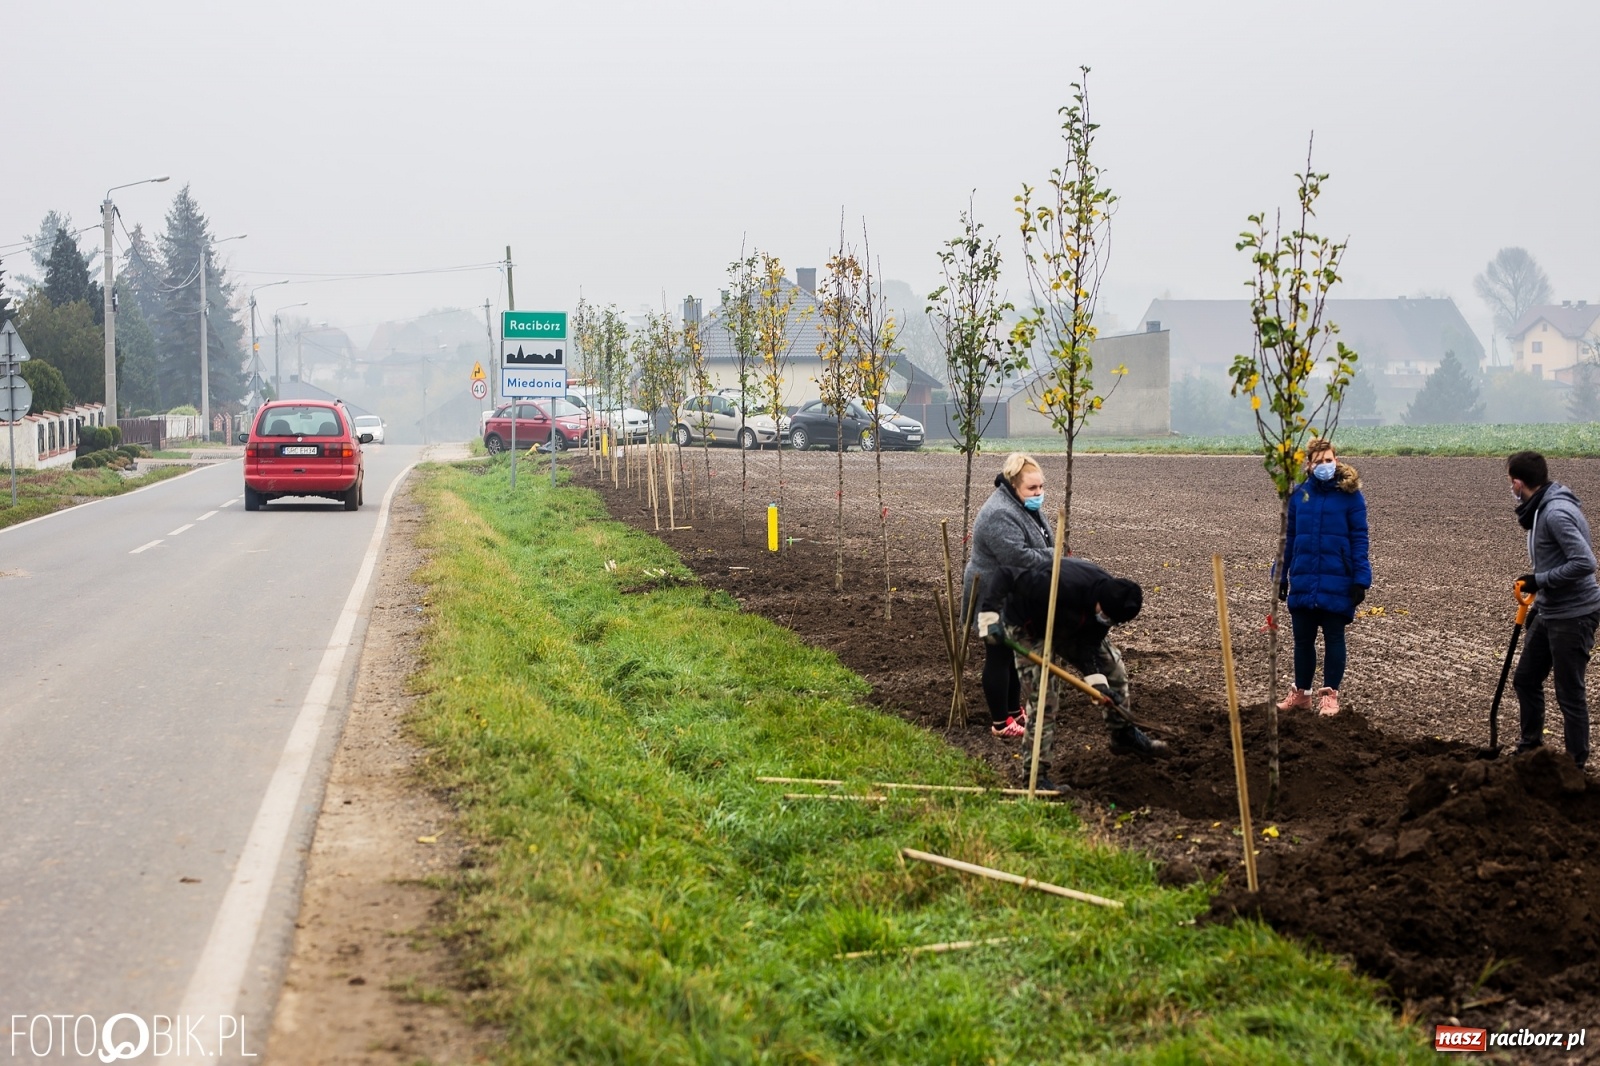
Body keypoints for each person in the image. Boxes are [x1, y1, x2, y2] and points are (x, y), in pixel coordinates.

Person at [979, 556, 1169, 793]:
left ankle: (1123, 735)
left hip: (1071, 627)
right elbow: (1005, 574)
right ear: (1100, 602)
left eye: (1113, 621)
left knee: (1114, 669)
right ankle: (1036, 777)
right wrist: (989, 616)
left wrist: (1097, 685)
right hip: (1028, 627)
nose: (1107, 622)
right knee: (1045, 699)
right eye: (1107, 616)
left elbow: (1088, 646)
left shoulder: (1111, 607)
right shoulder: (1058, 584)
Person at [1507, 450, 1600, 768]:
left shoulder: (1555, 513)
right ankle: (1530, 748)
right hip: (1551, 609)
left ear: (1518, 482)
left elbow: (1585, 562)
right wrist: (1541, 597)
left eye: (1511, 482)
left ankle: (1575, 766)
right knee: (1526, 679)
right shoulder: (1538, 509)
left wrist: (1539, 580)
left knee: (1569, 693)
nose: (1511, 488)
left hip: (1574, 614)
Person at [1276, 438, 1371, 717]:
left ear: (1336, 461)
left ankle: (1330, 696)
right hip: (1304, 578)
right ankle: (1301, 694)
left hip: (1337, 579)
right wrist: (1280, 575)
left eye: (1329, 460)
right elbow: (1289, 537)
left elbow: (1359, 539)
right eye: (1318, 461)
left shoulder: (1351, 497)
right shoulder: (1298, 496)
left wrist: (1360, 579)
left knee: (1334, 638)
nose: (1324, 465)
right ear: (1308, 465)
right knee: (1302, 641)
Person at [963, 453, 1051, 738]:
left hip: (1013, 593)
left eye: (1041, 487)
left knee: (1011, 653)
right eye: (1032, 488)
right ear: (1014, 485)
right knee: (998, 654)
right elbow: (1019, 557)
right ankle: (1001, 722)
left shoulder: (1025, 506)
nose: (1038, 493)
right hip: (990, 594)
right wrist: (1055, 555)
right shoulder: (1000, 513)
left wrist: (1053, 551)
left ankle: (1014, 712)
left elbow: (1045, 540)